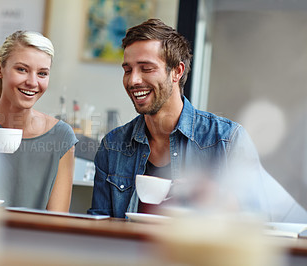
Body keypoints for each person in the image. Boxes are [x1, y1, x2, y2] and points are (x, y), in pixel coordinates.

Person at [88, 18, 307, 222]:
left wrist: (219, 199)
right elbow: (98, 229)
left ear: (177, 71)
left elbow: (259, 221)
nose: (134, 80)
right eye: (128, 70)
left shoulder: (227, 140)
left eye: (146, 68)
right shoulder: (113, 146)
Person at [0, 31, 78, 212]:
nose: (33, 82)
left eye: (42, 73)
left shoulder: (61, 136)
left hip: (32, 239)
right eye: (22, 69)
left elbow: (57, 221)